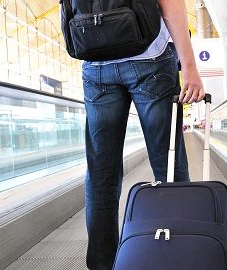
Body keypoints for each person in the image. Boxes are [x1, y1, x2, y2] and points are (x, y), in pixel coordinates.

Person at [81, 0, 205, 269]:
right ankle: (179, 259)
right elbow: (170, 4)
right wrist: (189, 66)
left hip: (95, 63)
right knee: (168, 166)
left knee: (101, 175)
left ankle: (103, 265)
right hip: (149, 60)